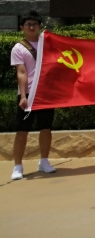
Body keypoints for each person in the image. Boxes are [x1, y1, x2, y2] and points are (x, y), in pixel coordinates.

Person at [10, 11, 55, 181]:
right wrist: (23, 96)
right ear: (22, 27)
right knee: (22, 130)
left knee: (46, 128)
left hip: (46, 93)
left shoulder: (47, 44)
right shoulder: (19, 48)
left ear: (39, 26)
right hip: (28, 93)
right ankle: (18, 166)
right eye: (28, 24)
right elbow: (21, 73)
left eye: (34, 24)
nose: (31, 27)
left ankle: (44, 161)